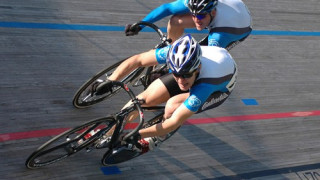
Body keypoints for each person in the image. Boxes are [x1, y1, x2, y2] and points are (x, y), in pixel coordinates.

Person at [94, 34, 237, 153]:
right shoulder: (174, 55)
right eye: (176, 74)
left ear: (197, 67)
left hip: (218, 89)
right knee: (141, 100)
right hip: (203, 68)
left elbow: (173, 122)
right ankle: (108, 132)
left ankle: (158, 138)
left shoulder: (207, 84)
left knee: (172, 107)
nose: (181, 80)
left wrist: (135, 135)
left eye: (185, 75)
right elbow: (138, 60)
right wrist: (111, 80)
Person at [125, 0, 252, 50]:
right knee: (176, 21)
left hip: (237, 30)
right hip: (225, 12)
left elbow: (206, 60)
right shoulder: (197, 3)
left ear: (212, 12)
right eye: (193, 14)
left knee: (199, 54)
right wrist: (141, 25)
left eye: (200, 15)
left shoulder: (219, 35)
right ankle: (172, 45)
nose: (196, 19)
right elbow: (167, 8)